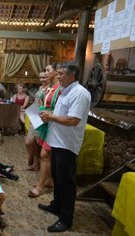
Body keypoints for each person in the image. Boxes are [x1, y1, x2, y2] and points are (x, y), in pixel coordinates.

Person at [38, 61, 91, 232]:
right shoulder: (65, 90)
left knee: (66, 182)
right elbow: (63, 114)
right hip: (57, 141)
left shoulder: (80, 93)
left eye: (61, 74)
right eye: (58, 73)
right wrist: (50, 114)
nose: (57, 76)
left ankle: (66, 219)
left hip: (67, 144)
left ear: (72, 75)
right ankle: (57, 205)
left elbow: (73, 120)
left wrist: (51, 117)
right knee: (57, 177)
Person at [29, 63, 61, 198]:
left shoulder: (59, 89)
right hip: (47, 123)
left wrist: (49, 113)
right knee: (46, 155)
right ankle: (50, 181)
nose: (46, 73)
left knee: (45, 155)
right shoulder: (49, 88)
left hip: (55, 124)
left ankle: (40, 186)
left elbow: (61, 109)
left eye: (48, 70)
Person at [25, 71, 50, 172]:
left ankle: (35, 162)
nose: (42, 80)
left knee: (36, 142)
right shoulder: (40, 88)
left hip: (41, 116)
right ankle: (34, 161)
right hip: (34, 114)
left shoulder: (50, 89)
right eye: (40, 78)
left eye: (44, 77)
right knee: (30, 141)